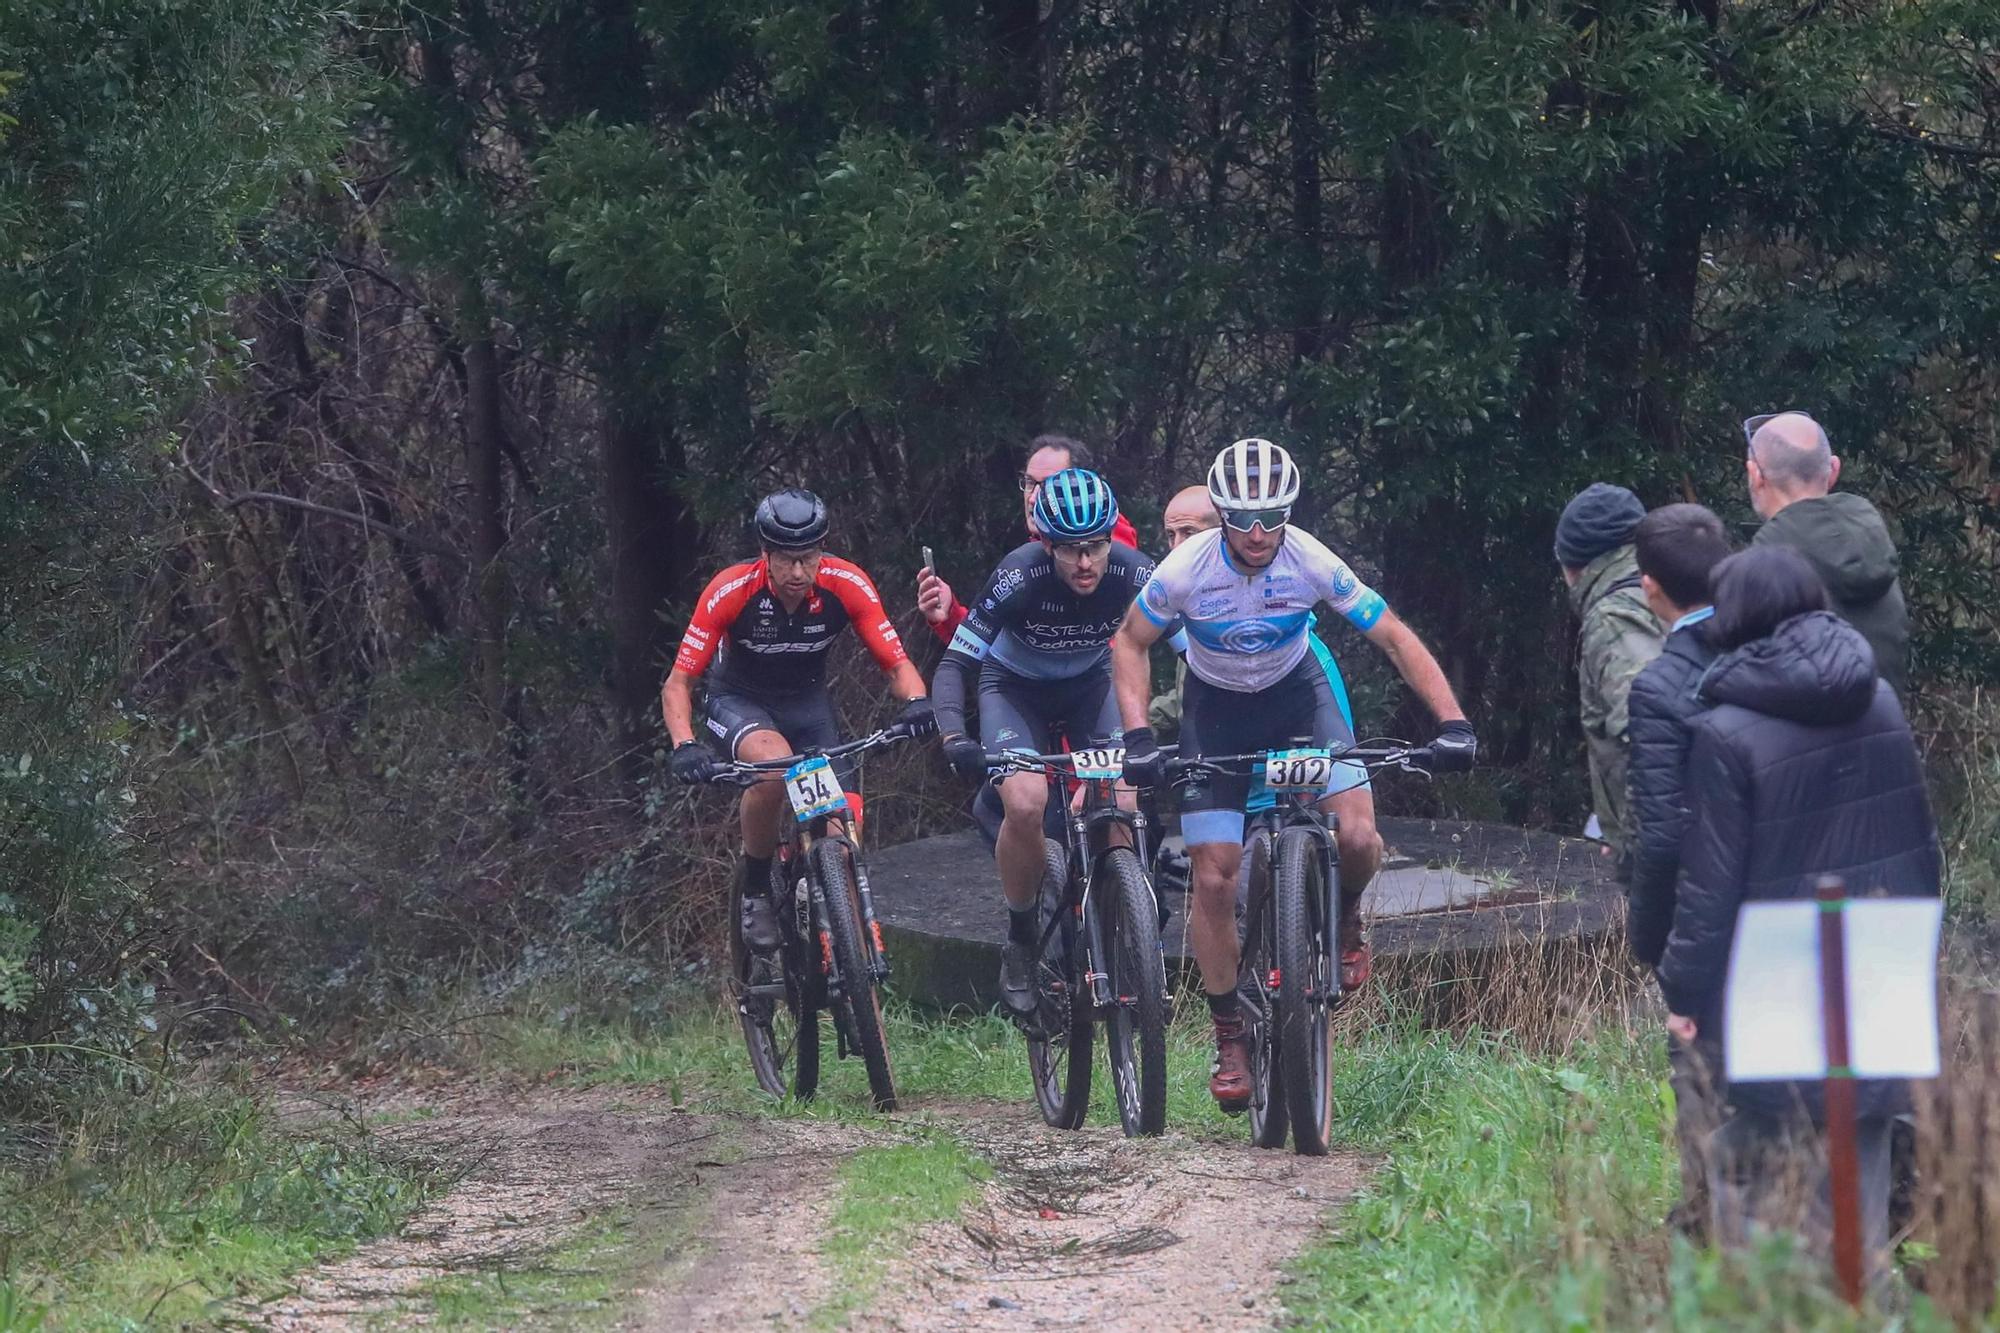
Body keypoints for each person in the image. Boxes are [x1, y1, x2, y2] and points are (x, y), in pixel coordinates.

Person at [1112, 438, 1476, 1111]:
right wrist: (1136, 735)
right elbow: (1129, 640)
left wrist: (1452, 720)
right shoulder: (1186, 567)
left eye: (1271, 517)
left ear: (1287, 512)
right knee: (1214, 874)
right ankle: (1229, 1036)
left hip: (1298, 698)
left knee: (1360, 837)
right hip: (1216, 711)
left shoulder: (1311, 559)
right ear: (1221, 514)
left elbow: (1392, 632)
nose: (1257, 534)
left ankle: (1342, 918)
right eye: (1242, 520)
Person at [1656, 546, 1940, 1273]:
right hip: (1877, 961)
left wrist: (1685, 992)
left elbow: (1709, 883)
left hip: (1769, 979)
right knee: (1862, 1177)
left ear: (1735, 617)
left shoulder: (1723, 729)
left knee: (1755, 1177)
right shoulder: (1878, 697)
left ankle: (1772, 1310)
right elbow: (1921, 841)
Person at [662, 489, 936, 951]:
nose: (797, 573)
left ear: (821, 551)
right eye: (786, 560)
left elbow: (896, 664)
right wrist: (684, 744)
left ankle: (829, 920)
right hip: (739, 701)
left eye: (808, 559)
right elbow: (679, 684)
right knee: (774, 768)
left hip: (808, 708)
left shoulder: (846, 583)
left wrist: (917, 702)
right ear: (765, 554)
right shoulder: (730, 590)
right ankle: (756, 890)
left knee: (843, 827)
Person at [931, 468, 1156, 1015]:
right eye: (1071, 550)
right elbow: (957, 661)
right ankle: (1022, 933)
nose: (1085, 563)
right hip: (1014, 689)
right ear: (1047, 544)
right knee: (1026, 803)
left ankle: (1126, 928)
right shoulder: (1018, 576)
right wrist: (955, 734)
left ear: (1112, 540)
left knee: (1122, 798)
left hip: (1090, 686)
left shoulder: (1135, 572)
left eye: (1097, 547)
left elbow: (1194, 650)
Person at [1145, 484, 1382, 988]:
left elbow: (1333, 738)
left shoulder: (1294, 625)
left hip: (1283, 773)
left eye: (1189, 532)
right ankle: (1232, 1034)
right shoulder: (1185, 600)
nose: (1176, 546)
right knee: (1221, 886)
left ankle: (1340, 922)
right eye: (1169, 535)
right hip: (1229, 776)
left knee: (1347, 836)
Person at [1622, 502, 1733, 1240]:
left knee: (1700, 1058)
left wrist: (1649, 940)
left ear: (1649, 585)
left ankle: (1706, 1218)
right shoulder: (1779, 644)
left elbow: (1662, 835)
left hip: (1711, 905)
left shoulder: (1662, 684)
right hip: (1815, 888)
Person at [1743, 411, 1910, 694]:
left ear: (1756, 475)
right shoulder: (1868, 530)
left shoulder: (1766, 559)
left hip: (1806, 734)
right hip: (1885, 724)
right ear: (1833, 470)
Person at [916, 435, 1139, 643]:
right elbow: (1004, 646)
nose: (1032, 498)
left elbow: (1109, 631)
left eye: (1047, 485)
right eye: (1030, 483)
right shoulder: (1034, 550)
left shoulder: (1109, 533)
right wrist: (949, 616)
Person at [1555, 482, 1664, 860]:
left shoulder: (1615, 619)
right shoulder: (1669, 589)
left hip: (1670, 856)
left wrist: (1636, 838)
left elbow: (1650, 733)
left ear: (1572, 566)